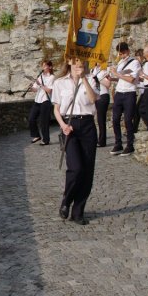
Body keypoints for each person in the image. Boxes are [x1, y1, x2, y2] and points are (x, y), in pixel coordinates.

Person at [53, 57, 98, 225]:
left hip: (87, 125)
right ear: (70, 62)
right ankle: (67, 200)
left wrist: (84, 78)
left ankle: (78, 211)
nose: (80, 63)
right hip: (69, 125)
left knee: (87, 171)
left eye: (82, 61)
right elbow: (56, 109)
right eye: (76, 60)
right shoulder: (60, 83)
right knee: (75, 168)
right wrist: (63, 125)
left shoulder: (92, 79)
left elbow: (93, 100)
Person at [108, 42, 141, 156]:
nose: (121, 56)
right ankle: (118, 143)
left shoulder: (135, 63)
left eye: (123, 53)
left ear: (127, 51)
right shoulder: (121, 62)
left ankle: (130, 144)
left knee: (128, 120)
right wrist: (112, 78)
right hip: (119, 92)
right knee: (115, 119)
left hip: (129, 93)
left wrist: (117, 74)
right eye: (120, 54)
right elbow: (121, 79)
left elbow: (131, 79)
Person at [27, 60, 56, 145]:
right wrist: (31, 88)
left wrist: (40, 85)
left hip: (46, 101)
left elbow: (49, 90)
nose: (43, 67)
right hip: (38, 100)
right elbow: (36, 89)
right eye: (42, 66)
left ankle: (46, 140)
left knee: (44, 121)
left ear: (50, 67)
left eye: (45, 66)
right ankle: (37, 135)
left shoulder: (52, 77)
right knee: (31, 118)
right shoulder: (40, 76)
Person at [89, 62, 111, 147]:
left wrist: (98, 79)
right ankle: (93, 138)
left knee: (101, 120)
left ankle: (102, 141)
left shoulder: (105, 70)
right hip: (93, 96)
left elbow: (108, 84)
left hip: (103, 95)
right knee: (90, 118)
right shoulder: (92, 70)